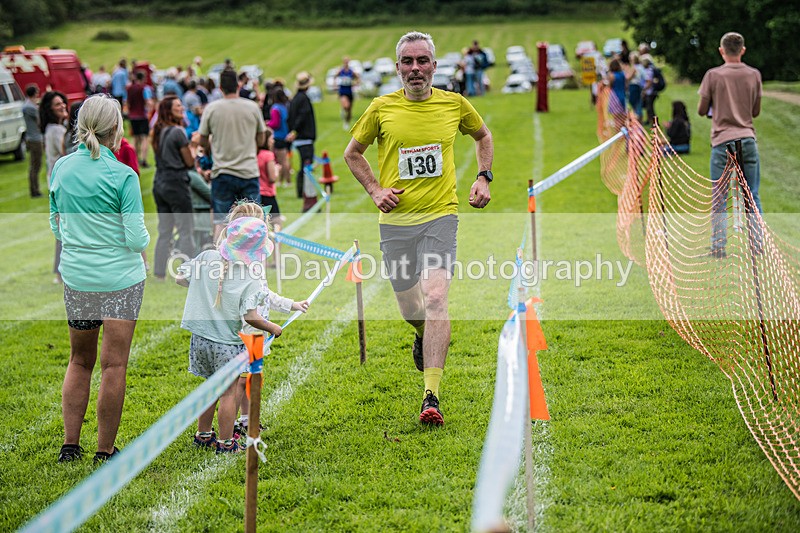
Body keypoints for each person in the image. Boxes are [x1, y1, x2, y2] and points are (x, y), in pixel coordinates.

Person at [343, 31, 494, 426]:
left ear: (434, 65)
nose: (415, 69)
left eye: (422, 61)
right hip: (396, 222)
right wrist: (375, 189)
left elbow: (483, 136)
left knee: (437, 296)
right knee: (412, 308)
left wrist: (484, 176)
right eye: (407, 62)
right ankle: (426, 334)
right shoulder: (381, 108)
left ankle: (431, 396)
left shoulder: (454, 104)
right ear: (397, 68)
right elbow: (352, 153)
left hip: (440, 216)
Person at [50, 95, 150, 463]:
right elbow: (137, 239)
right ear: (116, 130)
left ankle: (70, 446)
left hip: (78, 277)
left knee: (79, 360)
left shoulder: (61, 168)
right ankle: (104, 451)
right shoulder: (123, 175)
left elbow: (55, 223)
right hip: (120, 279)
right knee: (114, 364)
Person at [176, 213, 308, 453]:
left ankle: (203, 434)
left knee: (209, 387)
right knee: (227, 394)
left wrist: (202, 286)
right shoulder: (251, 278)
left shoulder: (206, 257)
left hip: (200, 340)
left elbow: (180, 279)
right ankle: (226, 442)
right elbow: (251, 317)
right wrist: (273, 328)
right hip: (227, 344)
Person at [697, 32, 763, 258]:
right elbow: (755, 111)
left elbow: (701, 109)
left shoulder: (713, 75)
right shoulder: (754, 74)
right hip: (747, 138)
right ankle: (757, 244)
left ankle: (718, 246)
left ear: (721, 50)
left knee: (719, 195)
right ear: (742, 50)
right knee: (752, 194)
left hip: (722, 140)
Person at [198, 69, 265, 240]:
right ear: (238, 85)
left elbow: (203, 139)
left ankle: (218, 264)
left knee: (221, 223)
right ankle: (255, 264)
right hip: (248, 170)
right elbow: (261, 138)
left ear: (220, 88)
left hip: (222, 171)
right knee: (254, 223)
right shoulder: (252, 107)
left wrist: (210, 149)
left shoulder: (212, 109)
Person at [151, 95, 197, 279]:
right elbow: (189, 161)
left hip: (160, 182)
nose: (182, 108)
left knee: (165, 231)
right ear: (169, 110)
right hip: (176, 182)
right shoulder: (178, 132)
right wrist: (193, 145)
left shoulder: (157, 132)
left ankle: (159, 272)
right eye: (178, 106)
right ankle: (188, 272)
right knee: (186, 229)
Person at [41, 91, 69, 284]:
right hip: (60, 183)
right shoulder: (57, 131)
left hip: (56, 180)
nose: (62, 106)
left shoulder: (53, 128)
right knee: (64, 228)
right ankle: (61, 271)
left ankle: (61, 271)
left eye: (63, 103)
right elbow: (65, 152)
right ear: (50, 109)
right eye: (57, 104)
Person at [287, 72, 319, 211]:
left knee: (303, 167)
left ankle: (301, 192)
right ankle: (306, 194)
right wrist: (295, 130)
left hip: (300, 139)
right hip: (305, 138)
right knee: (307, 168)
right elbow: (302, 117)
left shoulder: (295, 99)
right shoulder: (304, 99)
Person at [126, 71, 154, 168]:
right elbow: (149, 102)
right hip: (142, 115)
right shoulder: (144, 89)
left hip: (133, 116)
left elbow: (127, 102)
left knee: (135, 138)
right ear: (142, 78)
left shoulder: (129, 88)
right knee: (145, 138)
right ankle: (144, 160)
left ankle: (134, 159)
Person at [266, 86, 292, 188]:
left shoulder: (275, 108)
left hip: (278, 136)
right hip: (285, 135)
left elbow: (275, 123)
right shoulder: (284, 107)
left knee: (281, 160)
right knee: (284, 159)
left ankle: (287, 181)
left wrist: (268, 124)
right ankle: (282, 180)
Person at [22, 85, 43, 197]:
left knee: (34, 165)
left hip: (31, 137)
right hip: (35, 138)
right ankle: (35, 190)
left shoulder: (27, 105)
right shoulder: (30, 107)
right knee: (36, 165)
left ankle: (35, 189)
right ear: (34, 93)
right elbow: (39, 120)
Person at [258, 129, 282, 222]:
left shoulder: (254, 154)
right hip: (267, 193)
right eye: (271, 138)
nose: (273, 141)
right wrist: (277, 170)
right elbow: (272, 178)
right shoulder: (268, 155)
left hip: (256, 193)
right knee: (277, 222)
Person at [335, 57, 359, 130]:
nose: (346, 63)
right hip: (342, 91)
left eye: (347, 62)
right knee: (346, 106)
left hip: (349, 91)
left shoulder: (351, 71)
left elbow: (358, 78)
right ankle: (343, 109)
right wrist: (335, 84)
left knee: (349, 110)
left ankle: (346, 122)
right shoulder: (341, 71)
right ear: (343, 62)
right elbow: (335, 77)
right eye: (345, 62)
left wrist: (355, 83)